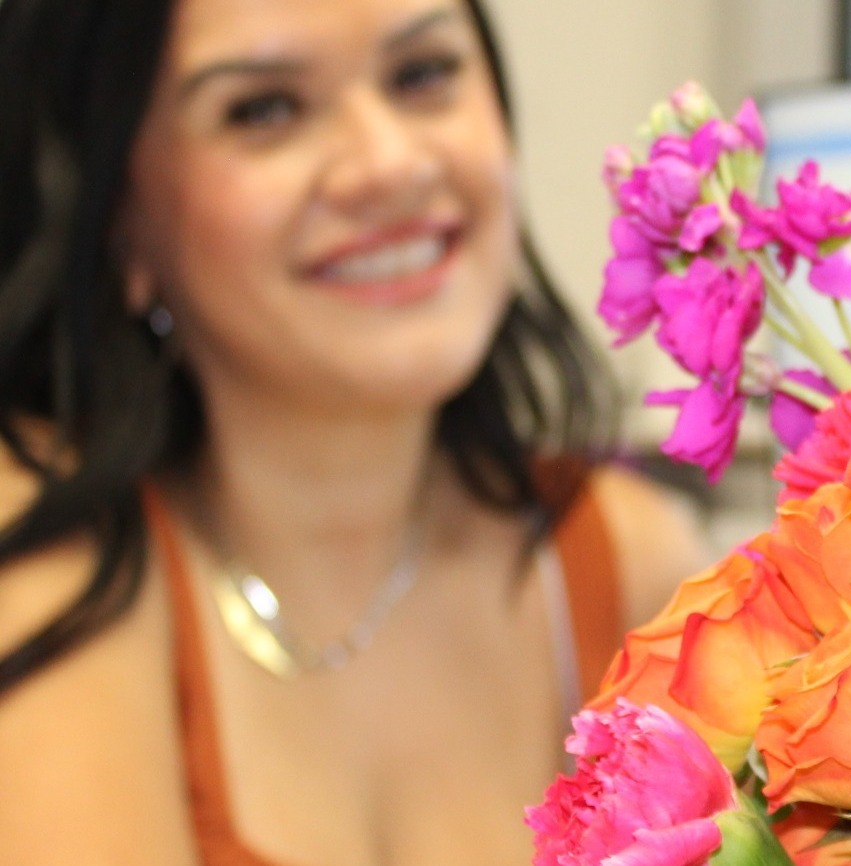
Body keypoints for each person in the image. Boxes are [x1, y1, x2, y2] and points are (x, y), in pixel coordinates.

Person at [0, 0, 705, 862]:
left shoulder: (632, 561)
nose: (389, 164)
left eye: (422, 75)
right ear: (118, 218)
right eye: (263, 110)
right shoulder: (49, 551)